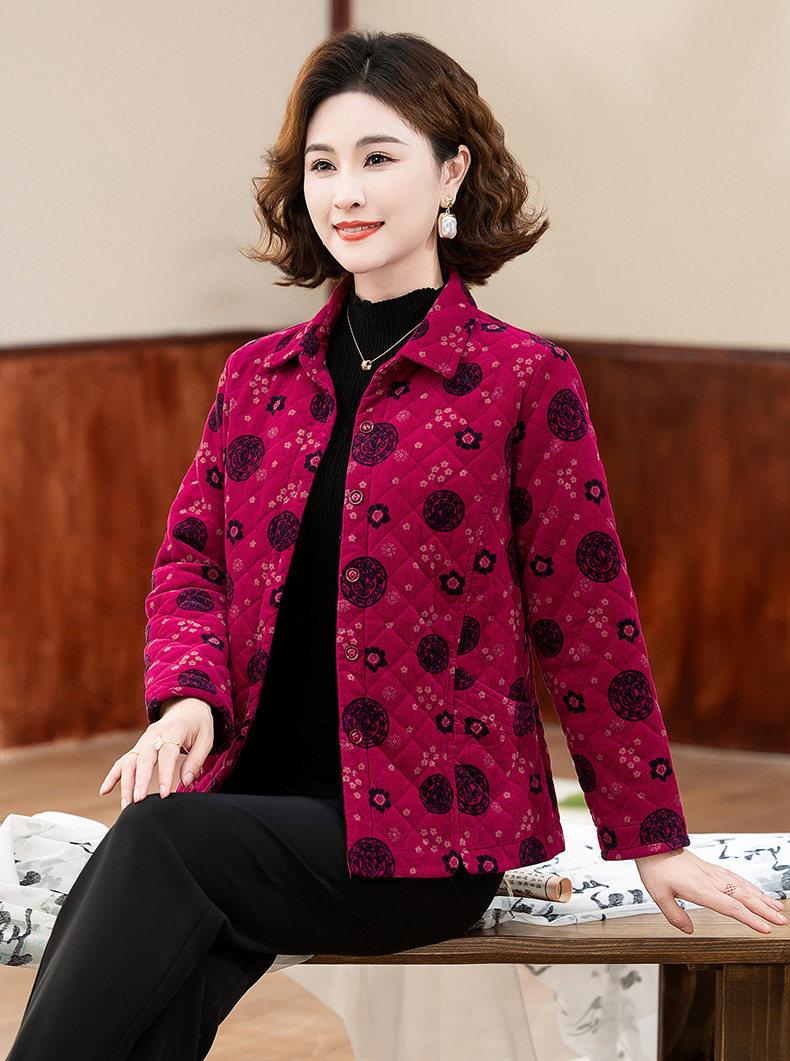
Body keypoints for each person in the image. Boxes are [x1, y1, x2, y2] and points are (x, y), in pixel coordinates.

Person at [8, 26, 786, 1061]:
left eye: (379, 158)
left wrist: (652, 837)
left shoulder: (521, 380)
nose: (347, 192)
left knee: (159, 842)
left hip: (423, 835)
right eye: (323, 165)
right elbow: (190, 562)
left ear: (452, 170)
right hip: (251, 803)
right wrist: (189, 695)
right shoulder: (258, 377)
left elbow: (587, 617)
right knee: (157, 985)